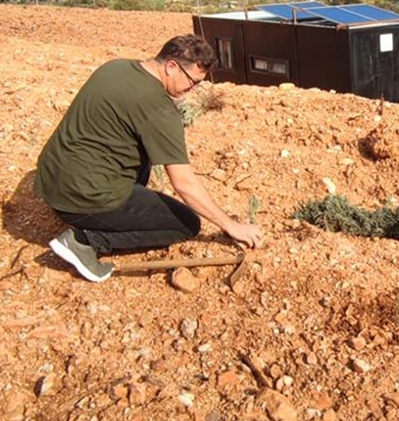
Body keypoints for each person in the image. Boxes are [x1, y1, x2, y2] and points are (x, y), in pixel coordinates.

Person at [35, 34, 262, 282]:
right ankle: (85, 241)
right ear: (171, 66)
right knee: (185, 223)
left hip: (51, 183)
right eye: (192, 81)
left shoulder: (116, 67)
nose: (194, 90)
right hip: (83, 199)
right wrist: (231, 226)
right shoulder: (159, 108)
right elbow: (184, 184)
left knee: (145, 151)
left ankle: (103, 214)